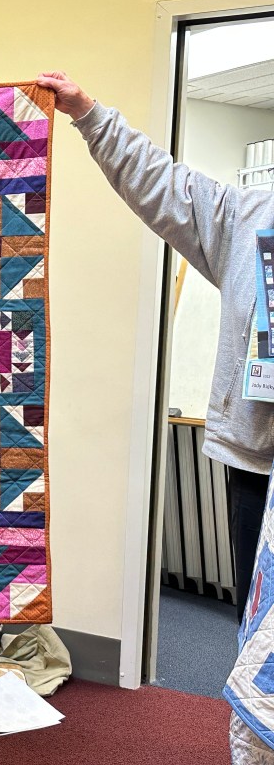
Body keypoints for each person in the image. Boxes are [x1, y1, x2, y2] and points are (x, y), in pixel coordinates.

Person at [36, 70, 272, 764]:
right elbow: (164, 185)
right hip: (259, 464)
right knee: (260, 640)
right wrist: (88, 114)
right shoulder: (249, 216)